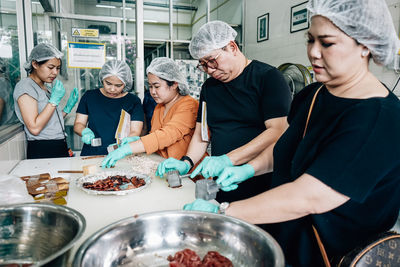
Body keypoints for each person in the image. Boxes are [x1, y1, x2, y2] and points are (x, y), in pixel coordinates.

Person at [184, 0, 400, 266]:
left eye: (327, 43)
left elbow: (310, 196)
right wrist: (249, 168)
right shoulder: (312, 95)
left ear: (365, 45)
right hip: (287, 237)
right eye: (310, 40)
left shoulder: (380, 118)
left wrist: (224, 211)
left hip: (330, 253)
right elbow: (284, 150)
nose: (313, 53)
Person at [156, 21, 292, 203]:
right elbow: (202, 134)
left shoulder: (268, 77)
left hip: (262, 178)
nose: (210, 70)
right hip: (223, 183)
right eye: (203, 65)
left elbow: (278, 130)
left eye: (212, 60)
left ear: (232, 47)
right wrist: (186, 162)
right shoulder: (209, 88)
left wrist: (228, 159)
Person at [101, 57, 200, 168]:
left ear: (174, 84)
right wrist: (138, 140)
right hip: (164, 168)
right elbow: (155, 136)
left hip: (188, 172)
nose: (152, 92)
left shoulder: (189, 105)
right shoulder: (159, 107)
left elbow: (166, 135)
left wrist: (128, 148)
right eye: (150, 86)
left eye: (157, 86)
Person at [13, 43, 79, 159]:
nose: (55, 72)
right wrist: (53, 102)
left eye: (57, 68)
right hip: (43, 148)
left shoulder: (46, 88)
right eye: (50, 67)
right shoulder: (25, 87)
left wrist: (67, 108)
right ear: (35, 64)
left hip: (59, 144)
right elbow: (35, 128)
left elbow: (49, 121)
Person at [74, 60, 144, 156]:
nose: (112, 89)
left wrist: (125, 144)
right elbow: (78, 124)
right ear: (102, 79)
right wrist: (84, 132)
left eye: (118, 85)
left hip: (120, 154)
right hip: (91, 154)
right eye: (108, 83)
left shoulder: (133, 101)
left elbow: (135, 131)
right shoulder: (89, 97)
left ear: (126, 83)